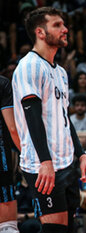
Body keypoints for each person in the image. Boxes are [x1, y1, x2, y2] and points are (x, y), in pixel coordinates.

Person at [11, 7, 86, 233]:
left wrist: (82, 155)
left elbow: (65, 119)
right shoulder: (30, 66)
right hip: (44, 166)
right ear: (40, 32)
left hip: (66, 162)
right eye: (57, 25)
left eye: (63, 24)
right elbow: (32, 117)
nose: (65, 29)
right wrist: (45, 162)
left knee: (69, 228)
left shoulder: (60, 72)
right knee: (54, 230)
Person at [0, 75, 21, 233]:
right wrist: (29, 155)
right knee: (8, 228)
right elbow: (13, 128)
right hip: (2, 163)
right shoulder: (2, 83)